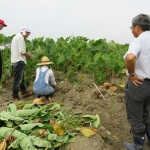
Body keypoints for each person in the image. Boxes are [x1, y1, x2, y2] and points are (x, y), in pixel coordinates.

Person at [123, 14, 150, 150]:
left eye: (132, 28)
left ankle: (138, 146)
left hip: (139, 84)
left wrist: (132, 74)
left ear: (137, 27)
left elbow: (130, 58)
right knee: (146, 115)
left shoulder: (140, 40)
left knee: (136, 117)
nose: (132, 31)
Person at [11, 26, 33, 101]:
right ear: (24, 32)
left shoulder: (15, 37)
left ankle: (23, 91)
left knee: (21, 78)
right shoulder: (20, 38)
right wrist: (29, 55)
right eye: (28, 34)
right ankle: (15, 96)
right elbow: (22, 51)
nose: (28, 36)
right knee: (18, 80)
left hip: (15, 61)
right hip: (19, 61)